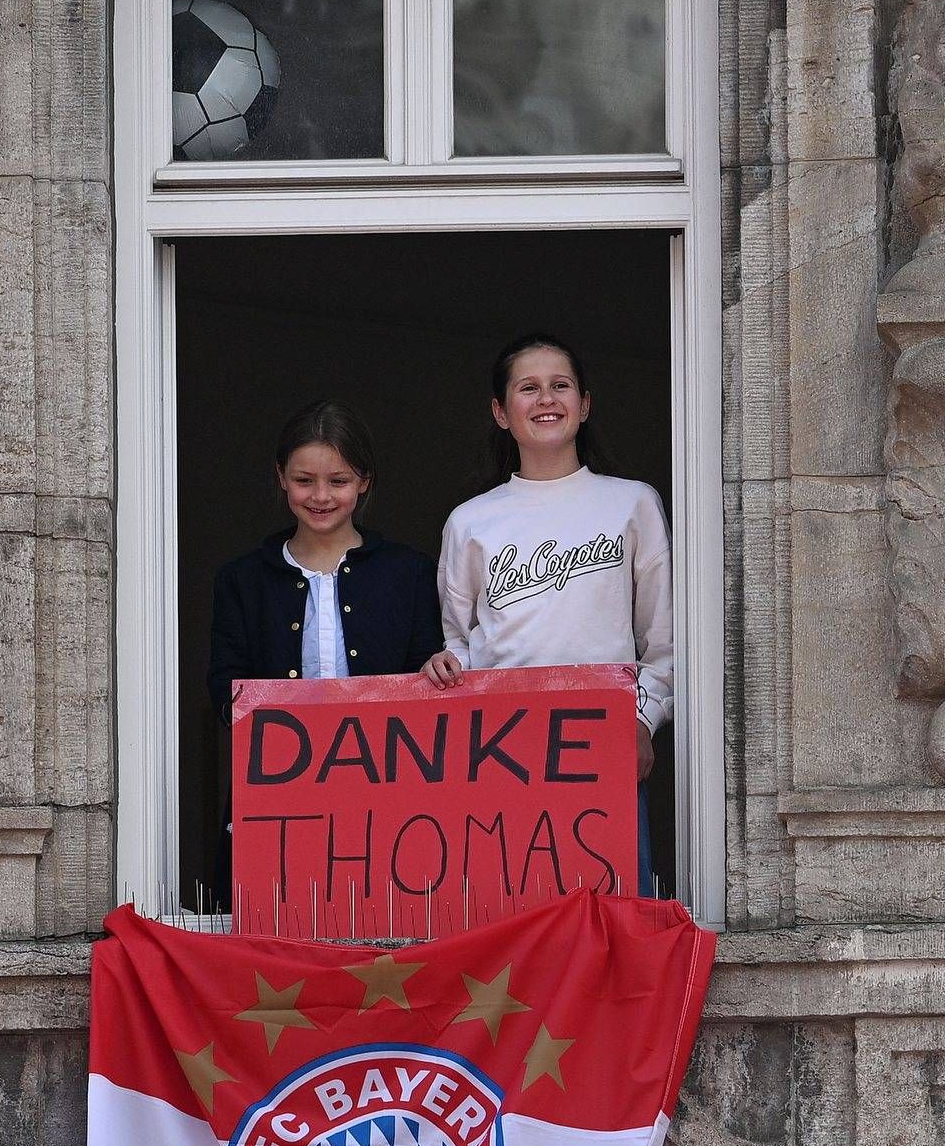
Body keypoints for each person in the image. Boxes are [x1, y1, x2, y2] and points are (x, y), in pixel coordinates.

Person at [427, 332, 673, 890]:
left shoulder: (632, 502)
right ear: (500, 412)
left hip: (600, 741)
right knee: (509, 910)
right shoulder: (470, 520)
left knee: (607, 914)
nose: (546, 399)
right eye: (528, 388)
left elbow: (665, 639)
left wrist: (641, 721)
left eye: (560, 386)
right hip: (498, 749)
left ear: (584, 405)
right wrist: (446, 666)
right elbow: (459, 640)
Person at [204, 401, 447, 900]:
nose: (320, 496)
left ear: (364, 481)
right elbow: (225, 686)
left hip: (388, 790)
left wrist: (436, 667)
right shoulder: (242, 580)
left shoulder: (409, 572)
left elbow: (425, 671)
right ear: (281, 477)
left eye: (338, 481)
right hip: (280, 791)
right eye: (303, 481)